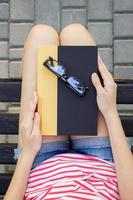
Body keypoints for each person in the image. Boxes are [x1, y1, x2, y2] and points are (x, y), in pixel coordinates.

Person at [4, 23, 133, 200]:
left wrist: (27, 152)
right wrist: (110, 111)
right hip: (102, 164)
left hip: (40, 164)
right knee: (75, 34)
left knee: (41, 36)